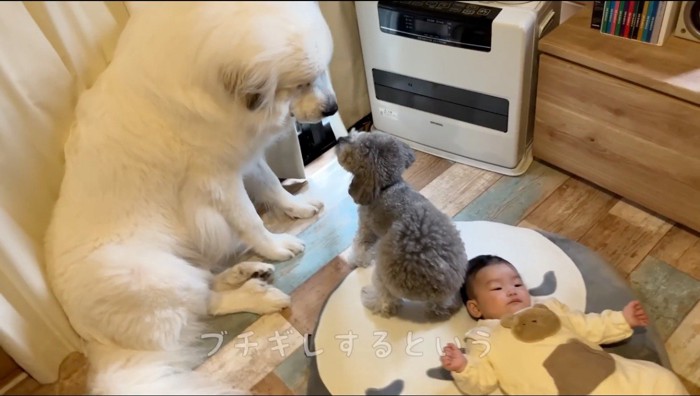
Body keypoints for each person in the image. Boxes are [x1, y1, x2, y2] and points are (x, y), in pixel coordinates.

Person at [440, 255, 688, 395]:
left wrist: (622, 319)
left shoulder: (549, 307)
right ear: (475, 308)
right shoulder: (483, 336)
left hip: (615, 376)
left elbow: (588, 326)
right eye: (497, 288)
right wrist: (463, 367)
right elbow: (484, 380)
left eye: (517, 284)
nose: (511, 291)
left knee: (662, 380)